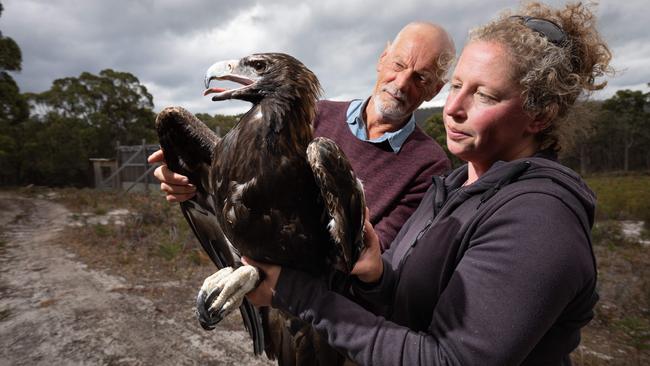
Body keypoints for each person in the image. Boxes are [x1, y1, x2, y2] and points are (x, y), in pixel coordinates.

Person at [244, 2, 612, 365]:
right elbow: (411, 303)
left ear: (539, 116)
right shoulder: (455, 187)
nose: (453, 107)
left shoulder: (539, 221)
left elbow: (448, 358)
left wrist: (294, 294)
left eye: (484, 95)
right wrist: (378, 275)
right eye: (457, 85)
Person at [148, 22, 455, 250]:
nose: (401, 83)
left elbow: (378, 254)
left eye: (421, 77)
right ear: (382, 59)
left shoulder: (428, 165)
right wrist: (191, 184)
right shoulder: (308, 115)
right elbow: (247, 191)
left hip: (333, 309)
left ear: (434, 90)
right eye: (399, 64)